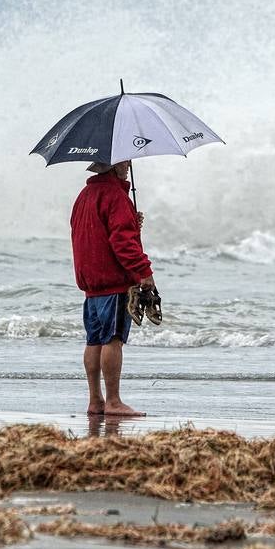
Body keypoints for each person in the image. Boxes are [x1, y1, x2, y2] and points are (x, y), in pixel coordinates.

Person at [70, 160, 154, 417]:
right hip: (114, 281)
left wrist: (130, 221)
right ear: (113, 164)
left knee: (94, 340)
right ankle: (114, 402)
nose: (128, 164)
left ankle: (96, 400)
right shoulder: (115, 196)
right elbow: (122, 242)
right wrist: (144, 273)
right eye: (124, 160)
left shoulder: (84, 195)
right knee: (113, 339)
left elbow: (94, 233)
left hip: (91, 284)